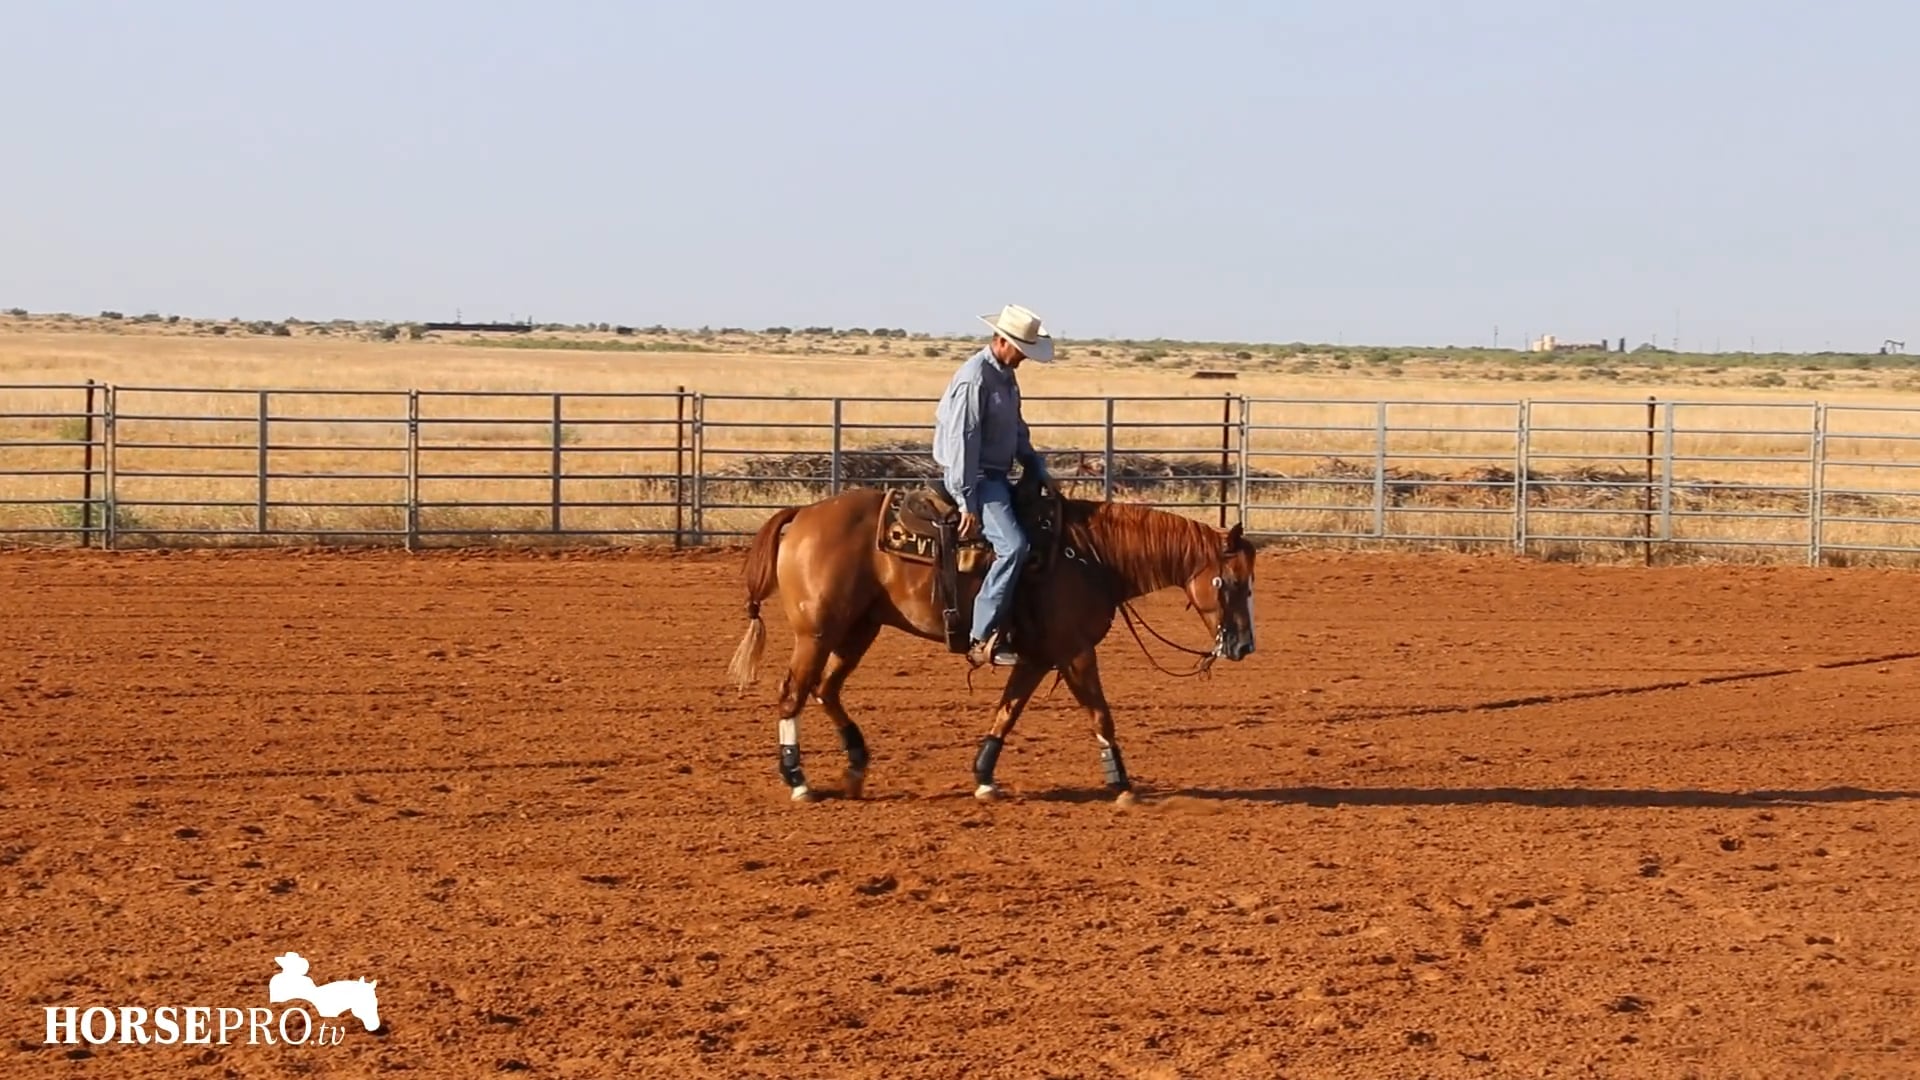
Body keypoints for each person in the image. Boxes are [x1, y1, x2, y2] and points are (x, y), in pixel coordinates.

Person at [931, 303, 1056, 668]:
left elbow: (1015, 428)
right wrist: (966, 499)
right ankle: (980, 635)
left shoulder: (1004, 375)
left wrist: (1035, 463)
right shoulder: (976, 379)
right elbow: (962, 440)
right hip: (980, 479)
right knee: (1014, 546)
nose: (1024, 358)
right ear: (1001, 341)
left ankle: (1021, 619)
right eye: (1022, 350)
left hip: (997, 474)